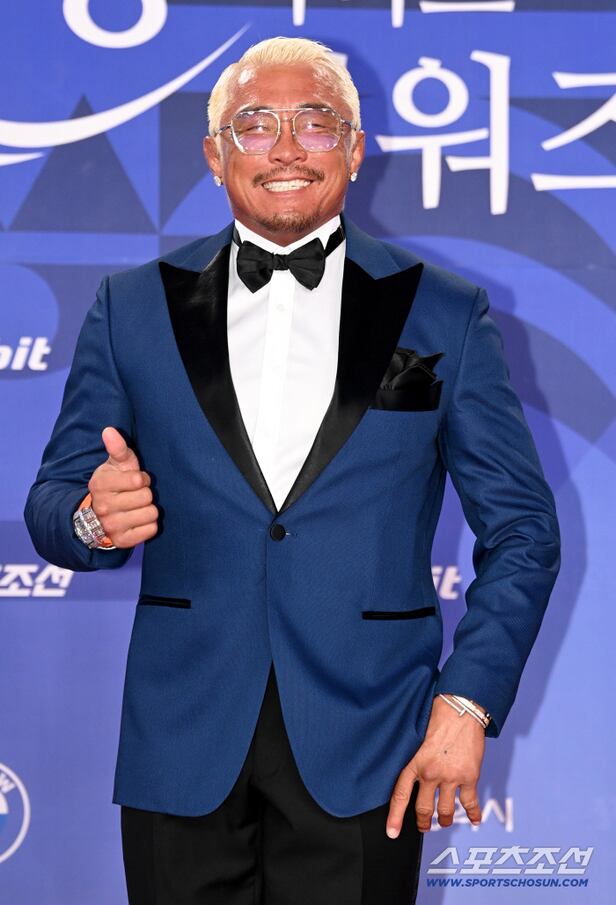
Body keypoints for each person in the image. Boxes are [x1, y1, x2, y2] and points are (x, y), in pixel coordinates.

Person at [23, 36, 561, 905]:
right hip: (181, 741)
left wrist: (466, 704)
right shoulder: (130, 308)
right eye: (254, 125)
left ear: (355, 148)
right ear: (214, 155)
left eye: (314, 123)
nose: (284, 149)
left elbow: (525, 530)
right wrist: (91, 518)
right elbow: (54, 501)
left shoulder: (446, 312)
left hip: (371, 744)